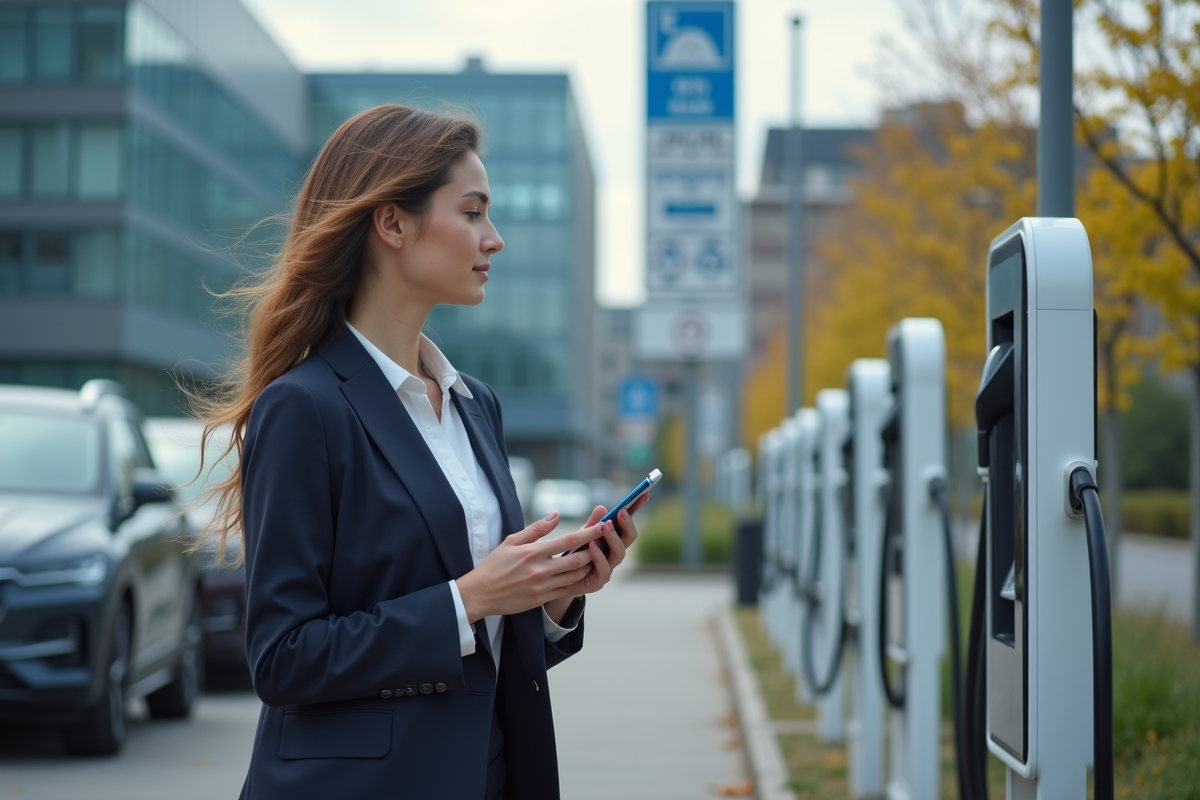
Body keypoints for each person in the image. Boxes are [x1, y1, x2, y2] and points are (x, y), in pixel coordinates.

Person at [194, 104, 646, 799]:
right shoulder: (304, 408)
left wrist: (551, 603)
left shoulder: (475, 405)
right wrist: (470, 598)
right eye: (473, 212)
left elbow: (481, 659)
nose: (494, 239)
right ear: (393, 223)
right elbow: (283, 659)